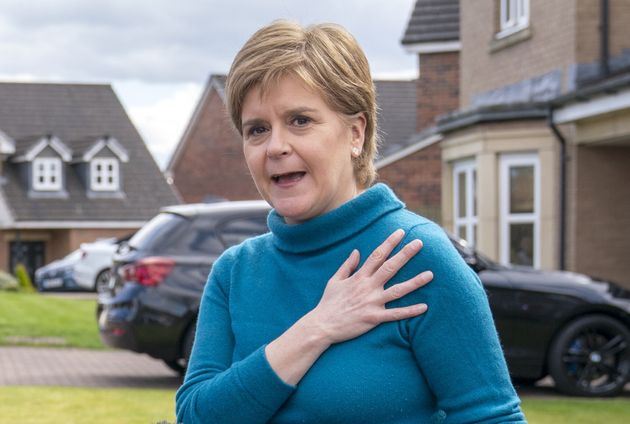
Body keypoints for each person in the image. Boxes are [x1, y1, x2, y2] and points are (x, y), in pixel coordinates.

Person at [176, 20, 526, 423]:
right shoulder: (235, 272)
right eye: (257, 129)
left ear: (355, 133)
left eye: (300, 121)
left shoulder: (413, 256)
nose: (276, 146)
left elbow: (492, 417)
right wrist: (317, 328)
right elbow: (195, 416)